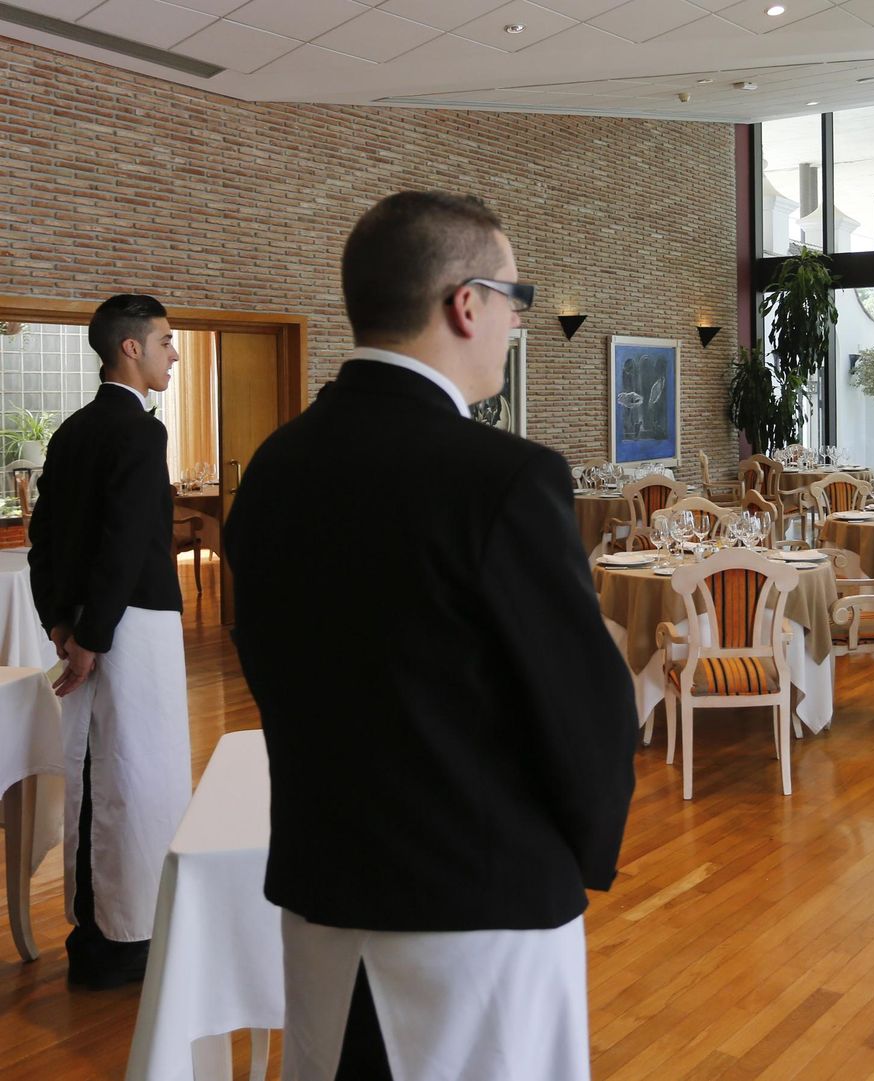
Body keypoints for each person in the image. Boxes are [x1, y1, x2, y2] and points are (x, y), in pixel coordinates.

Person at [225, 191, 637, 1080]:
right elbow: (585, 706)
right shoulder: (505, 476)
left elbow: (255, 647)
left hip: (324, 882)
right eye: (515, 301)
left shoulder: (274, 465)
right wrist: (574, 848)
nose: (516, 324)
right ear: (465, 303)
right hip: (479, 900)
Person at [28, 294, 191, 990]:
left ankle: (98, 928)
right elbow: (124, 543)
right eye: (164, 341)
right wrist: (91, 637)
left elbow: (46, 540)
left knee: (105, 773)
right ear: (130, 348)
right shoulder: (139, 433)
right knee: (136, 778)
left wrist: (61, 624)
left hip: (97, 626)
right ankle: (125, 936)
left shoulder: (70, 431)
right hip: (134, 629)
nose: (172, 353)